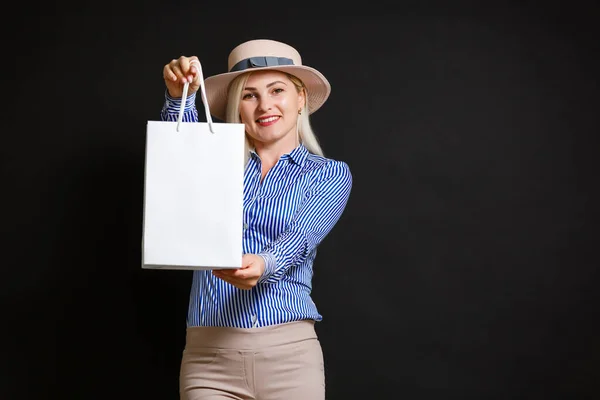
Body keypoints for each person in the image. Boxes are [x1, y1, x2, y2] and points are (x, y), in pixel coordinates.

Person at [160, 38, 353, 400]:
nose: (265, 105)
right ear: (237, 106)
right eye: (249, 95)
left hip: (290, 358)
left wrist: (264, 264)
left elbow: (301, 236)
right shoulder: (215, 165)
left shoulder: (329, 174)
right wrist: (179, 96)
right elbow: (178, 159)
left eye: (276, 90)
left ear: (299, 99)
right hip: (208, 359)